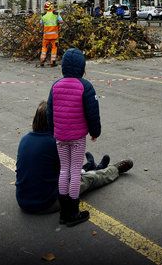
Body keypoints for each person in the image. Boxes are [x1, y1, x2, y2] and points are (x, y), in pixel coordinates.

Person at [16, 101, 132, 215]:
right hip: (47, 204)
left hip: (23, 200)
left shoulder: (25, 139)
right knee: (89, 179)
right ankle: (114, 170)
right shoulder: (55, 143)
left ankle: (91, 167)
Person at [46, 47, 101, 226]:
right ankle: (73, 212)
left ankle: (63, 212)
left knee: (64, 170)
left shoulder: (55, 85)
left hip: (60, 137)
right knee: (75, 171)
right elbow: (92, 113)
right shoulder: (85, 86)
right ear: (82, 67)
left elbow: (49, 111)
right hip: (77, 138)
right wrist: (95, 132)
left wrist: (52, 130)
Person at [38, 2, 63, 68]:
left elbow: (41, 23)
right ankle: (52, 62)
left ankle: (42, 61)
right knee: (54, 48)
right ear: (51, 7)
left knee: (44, 48)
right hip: (54, 36)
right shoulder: (56, 14)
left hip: (46, 36)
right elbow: (61, 21)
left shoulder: (43, 15)